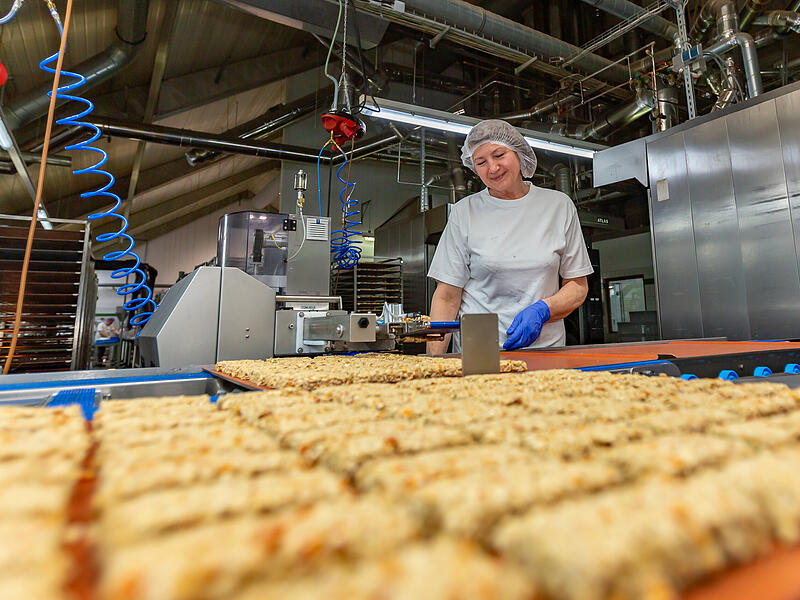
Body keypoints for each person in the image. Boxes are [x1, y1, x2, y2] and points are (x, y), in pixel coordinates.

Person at [427, 119, 594, 354]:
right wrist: (433, 362)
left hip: (545, 353)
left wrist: (544, 309)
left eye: (499, 155)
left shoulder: (558, 206)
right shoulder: (464, 212)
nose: (492, 168)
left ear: (518, 153)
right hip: (479, 353)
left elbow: (577, 285)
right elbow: (446, 297)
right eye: (481, 162)